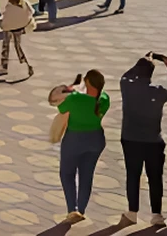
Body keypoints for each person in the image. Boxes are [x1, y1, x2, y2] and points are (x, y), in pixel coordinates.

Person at [119, 54, 167, 227]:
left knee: (133, 175)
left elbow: (125, 76)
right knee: (155, 177)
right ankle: (157, 215)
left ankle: (132, 212)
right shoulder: (158, 91)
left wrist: (143, 60)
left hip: (130, 139)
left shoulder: (127, 87)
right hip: (153, 141)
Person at [53, 70, 109, 223]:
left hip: (74, 139)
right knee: (86, 175)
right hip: (96, 139)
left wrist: (70, 90)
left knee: (67, 173)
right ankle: (81, 209)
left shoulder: (75, 99)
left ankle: (72, 209)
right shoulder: (104, 99)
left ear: (88, 83)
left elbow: (59, 105)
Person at [0, 0, 34, 78]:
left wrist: (3, 26)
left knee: (6, 45)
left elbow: (6, 21)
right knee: (18, 47)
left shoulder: (10, 6)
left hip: (10, 29)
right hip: (20, 28)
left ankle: (4, 66)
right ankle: (27, 64)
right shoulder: (25, 2)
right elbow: (32, 12)